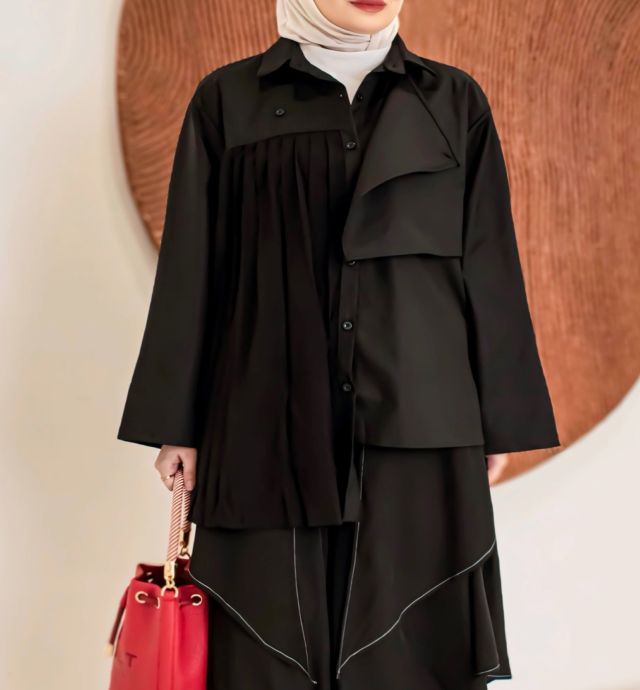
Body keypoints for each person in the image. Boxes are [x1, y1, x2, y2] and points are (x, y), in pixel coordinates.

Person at [117, 0, 561, 687]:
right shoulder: (228, 100)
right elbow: (192, 267)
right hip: (265, 427)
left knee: (409, 653)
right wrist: (179, 425)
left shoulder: (454, 101)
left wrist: (496, 418)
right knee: (266, 655)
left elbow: (489, 259)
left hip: (419, 426)